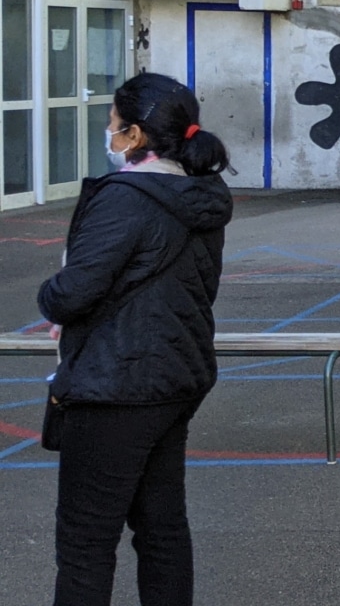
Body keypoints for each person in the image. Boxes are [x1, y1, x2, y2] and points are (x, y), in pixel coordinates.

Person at [37, 72, 233, 606]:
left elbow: (74, 291)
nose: (108, 130)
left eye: (113, 123)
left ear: (136, 135)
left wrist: (49, 296)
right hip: (175, 373)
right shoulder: (200, 192)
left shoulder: (127, 197)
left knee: (85, 540)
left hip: (115, 383)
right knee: (162, 527)